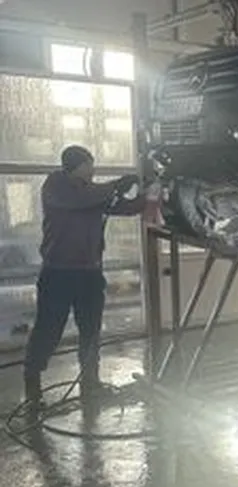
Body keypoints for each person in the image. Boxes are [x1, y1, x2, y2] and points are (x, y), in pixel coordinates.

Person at [23, 145, 146, 406]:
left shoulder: (92, 193)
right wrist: (116, 185)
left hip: (89, 274)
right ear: (76, 166)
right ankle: (32, 386)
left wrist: (150, 194)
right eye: (89, 166)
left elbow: (125, 207)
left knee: (90, 330)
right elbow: (80, 199)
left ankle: (90, 382)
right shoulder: (56, 186)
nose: (93, 171)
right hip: (58, 274)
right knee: (49, 330)